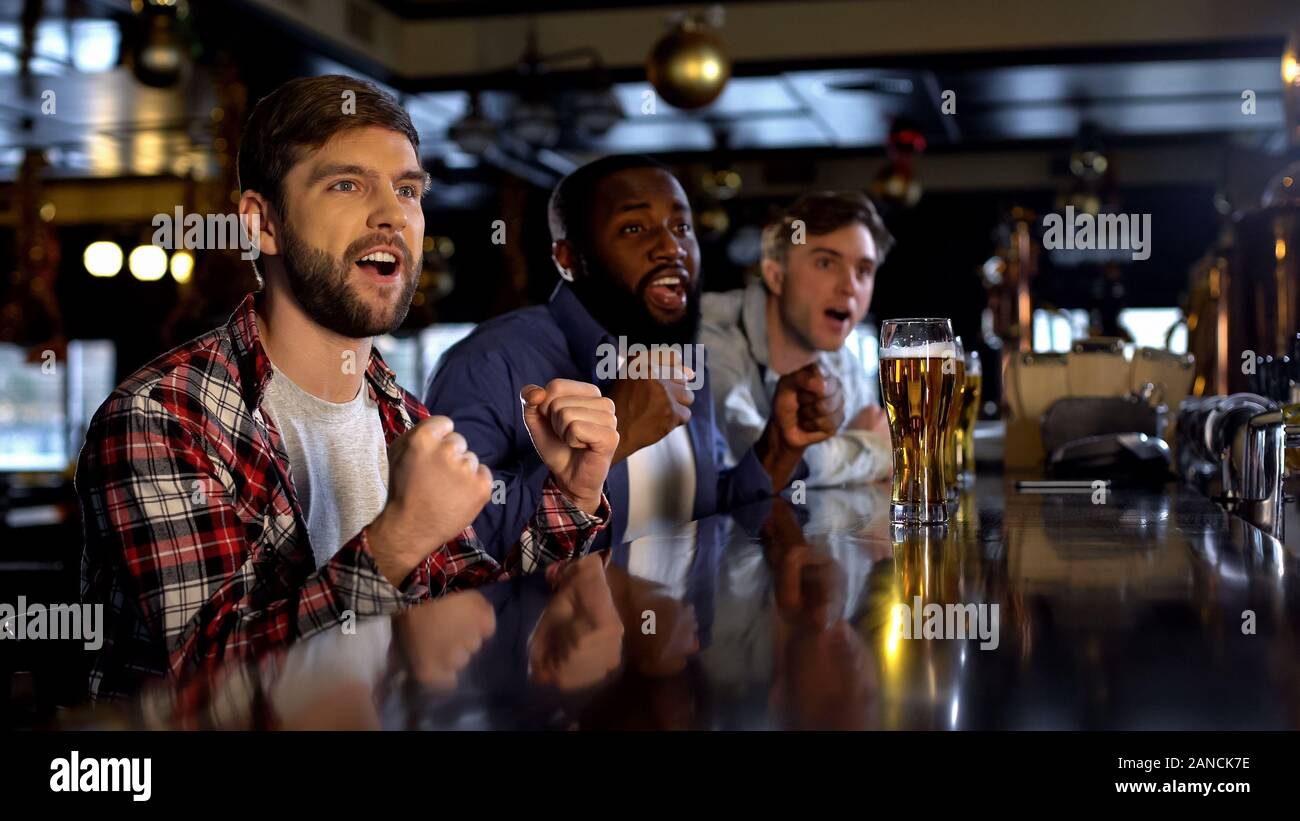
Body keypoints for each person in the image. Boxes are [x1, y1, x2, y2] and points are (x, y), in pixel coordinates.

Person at [76, 75, 618, 701]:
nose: (391, 213)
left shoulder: (401, 416)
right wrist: (396, 543)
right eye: (346, 184)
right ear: (262, 223)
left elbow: (474, 618)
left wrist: (572, 495)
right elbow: (207, 683)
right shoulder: (162, 415)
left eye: (408, 189)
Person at [426, 155, 845, 552]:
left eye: (682, 227)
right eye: (634, 229)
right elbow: (455, 544)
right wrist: (609, 441)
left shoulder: (683, 357)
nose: (671, 248)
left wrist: (780, 445)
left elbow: (697, 507)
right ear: (569, 258)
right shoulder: (487, 362)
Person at [700, 191, 895, 487]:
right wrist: (874, 449)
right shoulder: (712, 334)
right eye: (826, 264)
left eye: (863, 270)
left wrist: (857, 455)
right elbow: (756, 460)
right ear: (776, 276)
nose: (850, 287)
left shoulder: (844, 362)